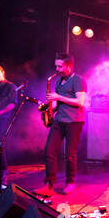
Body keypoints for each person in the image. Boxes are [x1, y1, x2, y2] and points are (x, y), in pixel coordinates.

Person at [34, 53, 87, 197]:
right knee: (49, 151)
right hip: (59, 120)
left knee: (70, 155)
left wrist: (58, 97)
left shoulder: (78, 80)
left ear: (69, 66)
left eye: (60, 66)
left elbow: (80, 102)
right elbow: (58, 104)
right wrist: (48, 108)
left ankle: (70, 183)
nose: (57, 69)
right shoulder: (58, 82)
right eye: (56, 66)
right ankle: (49, 185)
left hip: (74, 121)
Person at [0, 65, 17, 186]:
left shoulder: (10, 86)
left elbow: (12, 104)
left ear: (3, 72)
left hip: (2, 117)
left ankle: (3, 170)